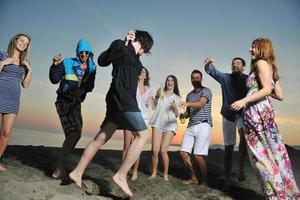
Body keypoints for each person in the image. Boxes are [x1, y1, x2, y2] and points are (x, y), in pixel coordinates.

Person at [69, 29, 154, 197]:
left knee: (100, 138)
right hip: (121, 98)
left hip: (122, 100)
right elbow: (102, 61)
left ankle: (77, 172)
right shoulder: (120, 46)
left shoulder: (137, 61)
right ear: (139, 41)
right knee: (143, 135)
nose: (143, 51)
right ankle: (121, 175)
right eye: (143, 47)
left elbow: (134, 75)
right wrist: (123, 43)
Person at [231, 38, 300, 199]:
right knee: (274, 156)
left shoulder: (260, 63)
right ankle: (285, 195)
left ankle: (275, 196)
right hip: (265, 113)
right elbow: (280, 95)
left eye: (253, 47)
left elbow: (268, 89)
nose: (250, 50)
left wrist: (244, 100)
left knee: (261, 160)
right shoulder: (269, 66)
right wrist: (267, 86)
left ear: (261, 48)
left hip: (256, 113)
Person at [49, 39, 96, 179]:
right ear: (78, 52)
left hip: (76, 103)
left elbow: (90, 86)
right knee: (73, 134)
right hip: (64, 101)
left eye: (86, 52)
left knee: (75, 135)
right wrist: (55, 65)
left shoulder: (92, 68)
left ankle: (58, 166)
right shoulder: (68, 62)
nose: (84, 54)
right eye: (81, 52)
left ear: (89, 53)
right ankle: (58, 169)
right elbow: (54, 79)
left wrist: (81, 90)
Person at [204, 57, 248, 190]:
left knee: (243, 137)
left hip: (242, 114)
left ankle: (240, 169)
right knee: (229, 147)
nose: (235, 65)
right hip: (227, 115)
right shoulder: (225, 78)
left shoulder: (248, 79)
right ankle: (227, 179)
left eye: (238, 63)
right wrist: (208, 66)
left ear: (243, 67)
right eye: (233, 63)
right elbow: (212, 71)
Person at [0, 33, 32, 171]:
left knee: (6, 133)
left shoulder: (24, 64)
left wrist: (29, 69)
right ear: (15, 40)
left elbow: (25, 85)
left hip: (13, 100)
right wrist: (2, 63)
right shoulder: (2, 55)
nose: (24, 44)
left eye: (26, 43)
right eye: (22, 40)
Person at [179, 70, 212, 185]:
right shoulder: (189, 95)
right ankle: (193, 177)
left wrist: (187, 104)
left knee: (198, 155)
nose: (195, 79)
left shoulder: (206, 91)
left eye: (197, 77)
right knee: (183, 153)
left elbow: (200, 104)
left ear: (201, 78)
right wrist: (183, 115)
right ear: (191, 80)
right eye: (193, 78)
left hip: (204, 124)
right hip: (191, 125)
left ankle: (205, 180)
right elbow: (188, 113)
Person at [122, 66, 154, 181]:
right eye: (140, 71)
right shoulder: (132, 85)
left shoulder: (149, 89)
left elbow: (151, 105)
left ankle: (135, 170)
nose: (141, 73)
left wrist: (154, 100)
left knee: (137, 146)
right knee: (126, 145)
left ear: (146, 76)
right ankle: (123, 172)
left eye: (144, 71)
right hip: (130, 115)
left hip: (143, 118)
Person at [148, 75, 181, 181]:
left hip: (170, 124)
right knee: (154, 150)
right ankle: (153, 173)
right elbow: (154, 107)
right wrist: (157, 97)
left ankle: (165, 174)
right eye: (168, 80)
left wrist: (175, 108)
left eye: (172, 81)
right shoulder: (160, 93)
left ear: (174, 84)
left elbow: (177, 115)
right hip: (157, 121)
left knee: (163, 151)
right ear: (166, 82)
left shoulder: (177, 98)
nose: (169, 82)